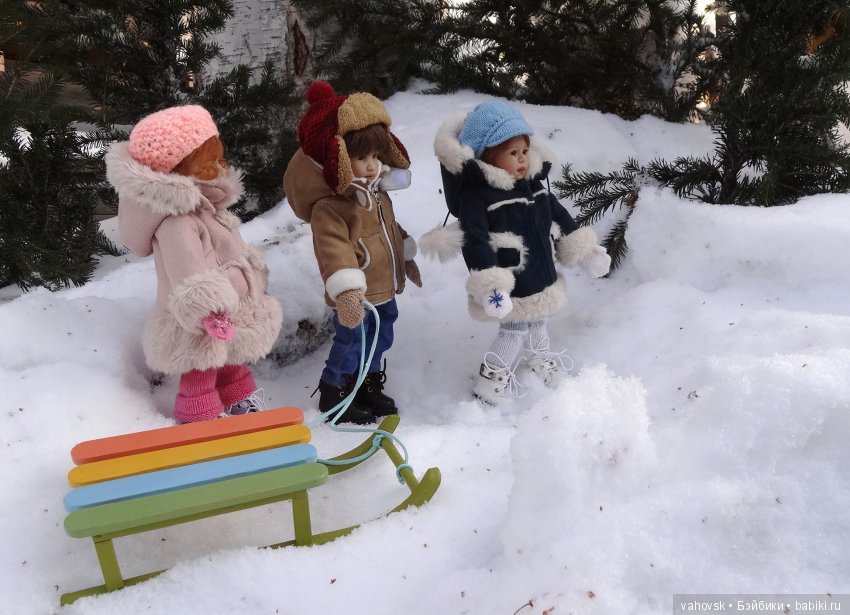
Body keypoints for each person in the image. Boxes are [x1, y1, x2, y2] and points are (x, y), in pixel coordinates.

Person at [105, 105, 283, 423]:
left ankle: (244, 410)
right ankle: (198, 420)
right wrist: (208, 311)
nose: (219, 167)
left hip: (226, 309)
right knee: (201, 370)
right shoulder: (176, 222)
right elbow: (186, 271)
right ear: (181, 169)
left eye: (218, 159)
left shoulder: (202, 206)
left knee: (232, 364)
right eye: (209, 162)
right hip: (198, 317)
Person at [428, 100, 611, 405]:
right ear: (488, 155)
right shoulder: (478, 198)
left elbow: (563, 220)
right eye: (513, 153)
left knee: (539, 320)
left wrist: (587, 251)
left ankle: (540, 358)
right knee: (513, 329)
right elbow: (475, 241)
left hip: (541, 275)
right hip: (510, 282)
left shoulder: (536, 189)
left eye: (525, 151)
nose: (523, 160)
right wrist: (490, 288)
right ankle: (492, 378)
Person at [283, 81, 421, 424]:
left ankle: (367, 382)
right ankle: (336, 389)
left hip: (383, 287)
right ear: (337, 158)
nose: (373, 165)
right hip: (356, 295)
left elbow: (387, 230)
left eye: (376, 156)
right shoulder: (330, 208)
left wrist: (405, 255)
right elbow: (334, 252)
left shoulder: (375, 194)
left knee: (381, 334)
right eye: (361, 158)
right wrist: (346, 293)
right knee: (351, 340)